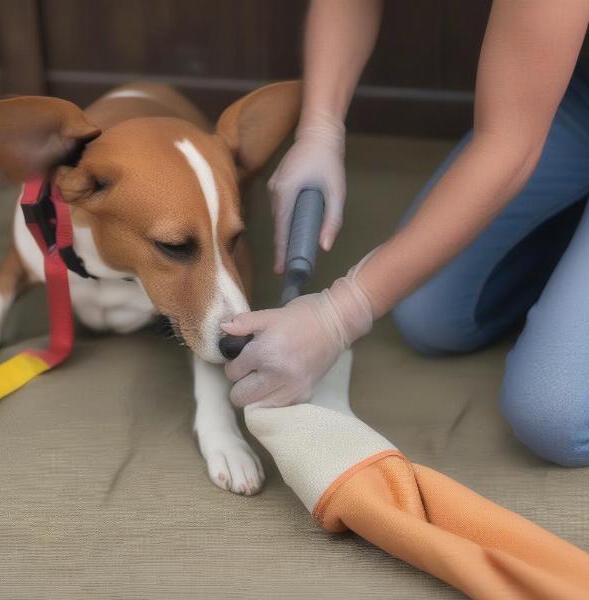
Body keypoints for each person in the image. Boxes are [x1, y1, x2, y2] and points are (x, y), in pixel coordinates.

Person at [222, 0, 589, 467]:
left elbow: (508, 148)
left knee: (553, 416)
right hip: (572, 90)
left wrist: (341, 312)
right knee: (431, 315)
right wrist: (320, 129)